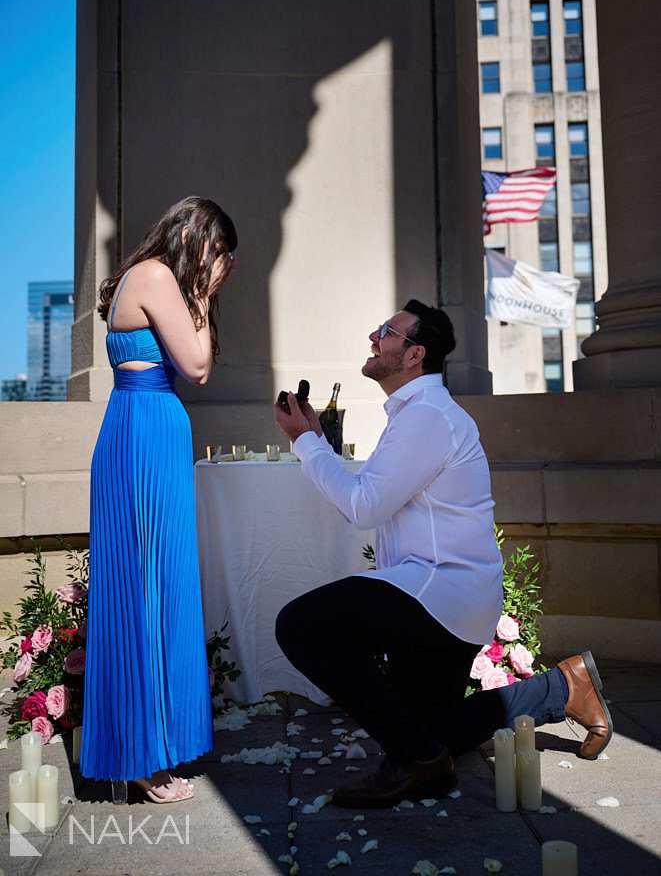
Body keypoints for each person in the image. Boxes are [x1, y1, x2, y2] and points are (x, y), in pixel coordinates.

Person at [274, 300, 612, 809]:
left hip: (439, 590)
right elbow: (369, 498)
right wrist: (318, 439)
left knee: (300, 625)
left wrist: (306, 443)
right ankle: (561, 687)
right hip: (450, 596)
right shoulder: (419, 413)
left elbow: (363, 507)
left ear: (415, 355)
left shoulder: (428, 415)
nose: (373, 336)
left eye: (386, 332)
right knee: (436, 731)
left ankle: (419, 765)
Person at [80, 195, 238, 805]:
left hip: (151, 434)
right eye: (218, 252)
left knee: (161, 587)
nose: (221, 265)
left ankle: (153, 743)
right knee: (143, 590)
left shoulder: (154, 279)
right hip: (142, 436)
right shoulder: (155, 276)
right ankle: (139, 755)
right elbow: (197, 364)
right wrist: (203, 292)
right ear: (197, 238)